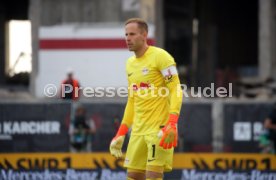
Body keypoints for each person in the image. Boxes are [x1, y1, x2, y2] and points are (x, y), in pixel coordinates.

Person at [109, 18, 183, 180]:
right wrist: (121, 133)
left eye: (132, 34)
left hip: (159, 129)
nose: (128, 38)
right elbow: (132, 99)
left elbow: (175, 89)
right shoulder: (129, 64)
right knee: (134, 175)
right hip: (138, 131)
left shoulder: (161, 56)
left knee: (153, 175)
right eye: (126, 34)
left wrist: (172, 123)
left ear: (144, 35)